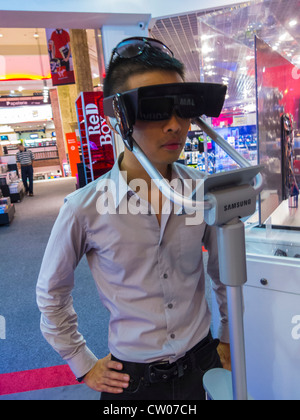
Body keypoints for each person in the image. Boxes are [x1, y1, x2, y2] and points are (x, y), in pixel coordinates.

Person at [36, 37, 231, 401]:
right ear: (119, 115)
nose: (175, 125)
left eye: (181, 107)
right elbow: (51, 293)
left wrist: (228, 338)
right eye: (156, 108)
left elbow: (224, 273)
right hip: (133, 381)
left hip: (204, 361)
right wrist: (82, 361)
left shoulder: (205, 191)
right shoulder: (84, 207)